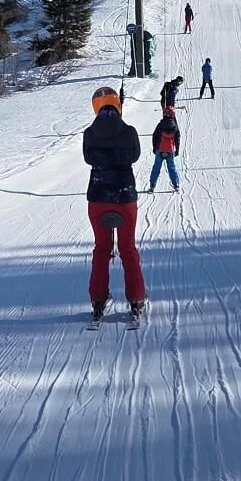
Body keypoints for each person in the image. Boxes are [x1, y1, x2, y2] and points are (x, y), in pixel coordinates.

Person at [83, 86, 145, 319]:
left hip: (97, 197)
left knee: (101, 249)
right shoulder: (129, 131)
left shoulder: (89, 133)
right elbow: (135, 156)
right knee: (128, 250)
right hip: (125, 197)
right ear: (117, 106)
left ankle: (98, 299)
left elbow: (89, 158)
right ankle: (136, 299)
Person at [149, 103, 181, 192]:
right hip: (170, 150)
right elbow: (177, 139)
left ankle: (152, 185)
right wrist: (177, 149)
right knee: (171, 168)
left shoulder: (160, 125)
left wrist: (155, 147)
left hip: (160, 149)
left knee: (156, 167)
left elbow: (154, 136)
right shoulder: (175, 127)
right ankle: (176, 184)